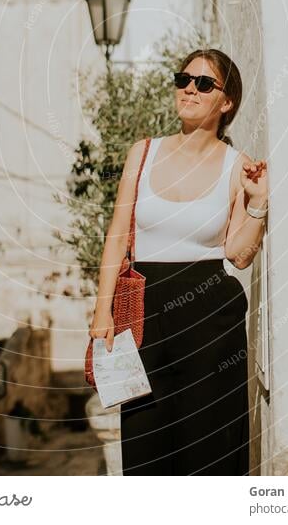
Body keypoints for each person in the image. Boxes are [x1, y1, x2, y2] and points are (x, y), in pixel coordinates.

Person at [89, 48, 268, 475]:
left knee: (208, 443)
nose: (189, 88)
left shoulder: (236, 165)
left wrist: (258, 203)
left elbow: (238, 255)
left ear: (226, 102)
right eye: (183, 79)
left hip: (210, 314)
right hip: (143, 310)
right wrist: (101, 311)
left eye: (204, 83)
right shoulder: (143, 152)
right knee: (145, 439)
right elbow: (117, 235)